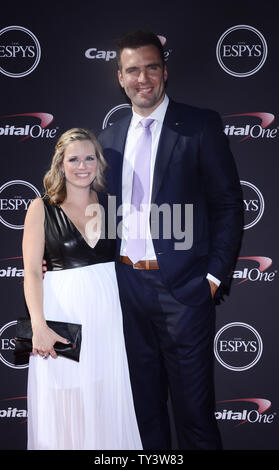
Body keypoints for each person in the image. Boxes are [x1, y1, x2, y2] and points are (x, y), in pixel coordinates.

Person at [98, 30, 244, 450]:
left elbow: (229, 205)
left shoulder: (200, 126)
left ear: (165, 71)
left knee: (195, 417)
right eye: (132, 70)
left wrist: (214, 277)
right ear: (120, 78)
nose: (142, 78)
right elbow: (97, 217)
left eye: (151, 67)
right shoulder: (108, 137)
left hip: (183, 291)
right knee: (143, 415)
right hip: (126, 291)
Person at [22, 128, 142, 450]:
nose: (82, 165)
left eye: (90, 157)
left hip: (106, 322)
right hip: (62, 319)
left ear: (99, 163)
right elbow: (32, 271)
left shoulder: (111, 206)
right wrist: (39, 327)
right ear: (60, 164)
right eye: (73, 158)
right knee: (64, 408)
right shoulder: (40, 208)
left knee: (102, 407)